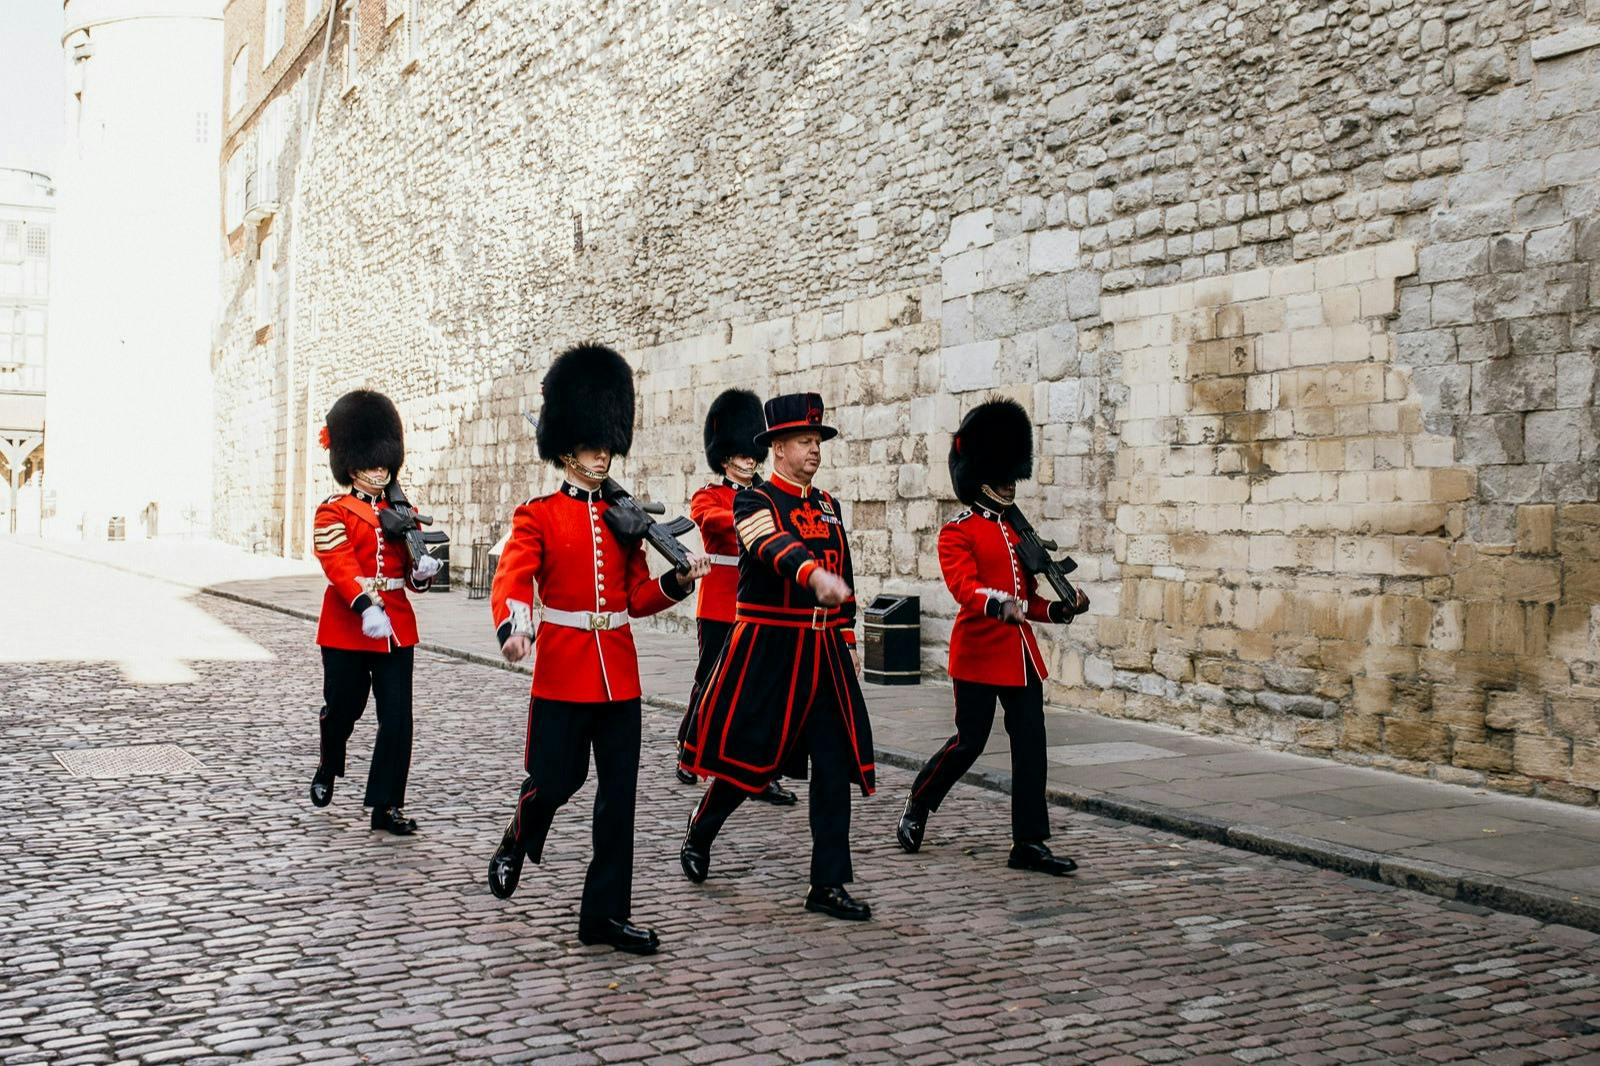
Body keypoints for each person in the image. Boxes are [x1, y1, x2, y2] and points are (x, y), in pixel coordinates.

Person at [485, 344, 709, 956]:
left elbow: (634, 596)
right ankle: (518, 834)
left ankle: (604, 915)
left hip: (621, 678)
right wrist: (515, 628)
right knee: (555, 782)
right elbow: (512, 579)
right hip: (562, 671)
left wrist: (676, 582)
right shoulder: (538, 515)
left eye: (606, 444)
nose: (602, 453)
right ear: (565, 450)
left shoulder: (622, 518)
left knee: (619, 802)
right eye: (591, 445)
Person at [678, 392, 876, 921]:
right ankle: (703, 826)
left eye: (817, 442)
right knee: (749, 763)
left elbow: (846, 572)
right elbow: (772, 548)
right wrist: (812, 576)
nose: (815, 451)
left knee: (833, 766)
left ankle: (827, 883)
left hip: (824, 651)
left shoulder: (827, 504)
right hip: (770, 650)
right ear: (779, 448)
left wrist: (849, 637)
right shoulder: (754, 501)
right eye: (805, 442)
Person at [896, 398, 1088, 876]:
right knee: (969, 743)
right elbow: (965, 589)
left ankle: (1029, 842)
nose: (1009, 483)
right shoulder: (957, 533)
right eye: (1002, 475)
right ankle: (920, 801)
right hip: (979, 654)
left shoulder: (1018, 533)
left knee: (1031, 747)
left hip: (1019, 658)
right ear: (979, 476)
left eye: (1012, 475)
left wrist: (1060, 609)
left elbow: (1028, 601)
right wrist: (997, 604)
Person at [309, 389, 441, 835]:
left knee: (398, 719)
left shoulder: (403, 511)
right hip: (349, 625)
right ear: (352, 465)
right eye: (372, 462)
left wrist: (422, 571)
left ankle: (386, 806)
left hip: (396, 628)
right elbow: (338, 563)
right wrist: (365, 605)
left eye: (386, 461)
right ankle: (329, 763)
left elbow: (408, 575)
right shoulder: (333, 512)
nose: (381, 469)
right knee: (344, 709)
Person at [676, 387, 796, 806]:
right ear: (724, 456)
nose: (749, 460)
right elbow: (716, 522)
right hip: (719, 603)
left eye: (753, 454)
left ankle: (761, 773)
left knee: (760, 692)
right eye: (742, 454)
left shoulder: (767, 496)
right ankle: (690, 749)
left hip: (758, 606)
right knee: (709, 681)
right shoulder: (709, 495)